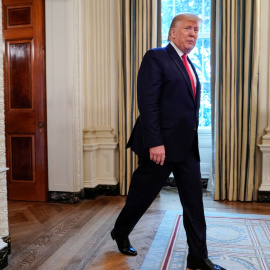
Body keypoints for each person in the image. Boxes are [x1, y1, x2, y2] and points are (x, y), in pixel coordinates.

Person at [111, 13, 226, 270]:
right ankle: (120, 231)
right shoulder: (156, 57)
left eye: (196, 29)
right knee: (142, 196)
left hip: (186, 147)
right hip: (160, 147)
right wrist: (155, 143)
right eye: (188, 28)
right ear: (172, 33)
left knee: (194, 203)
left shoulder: (189, 63)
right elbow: (148, 104)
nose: (193, 34)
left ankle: (197, 258)